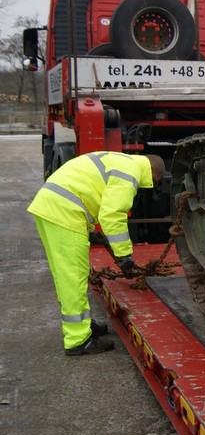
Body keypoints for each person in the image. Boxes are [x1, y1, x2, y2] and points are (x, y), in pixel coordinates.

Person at [27, 151, 166, 356]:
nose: (149, 187)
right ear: (153, 173)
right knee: (73, 276)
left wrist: (92, 232)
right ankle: (78, 340)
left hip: (53, 207)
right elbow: (112, 215)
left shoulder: (121, 161)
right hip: (64, 213)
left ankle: (82, 325)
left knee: (68, 273)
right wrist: (124, 257)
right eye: (154, 182)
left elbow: (90, 188)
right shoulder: (131, 173)